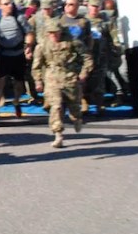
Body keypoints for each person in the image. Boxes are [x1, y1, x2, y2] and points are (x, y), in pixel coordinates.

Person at [32, 19, 93, 148]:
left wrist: (83, 73)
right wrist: (38, 81)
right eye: (51, 33)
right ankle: (58, 134)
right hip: (52, 78)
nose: (53, 35)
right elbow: (36, 66)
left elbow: (87, 58)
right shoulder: (42, 46)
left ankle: (77, 118)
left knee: (74, 106)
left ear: (61, 31)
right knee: (56, 106)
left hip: (69, 77)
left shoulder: (73, 42)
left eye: (56, 32)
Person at [0, 0, 31, 122]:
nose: (9, 6)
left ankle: (16, 102)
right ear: (0, 6)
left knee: (19, 83)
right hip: (3, 55)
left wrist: (28, 46)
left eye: (11, 3)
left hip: (18, 54)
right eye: (6, 4)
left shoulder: (19, 17)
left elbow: (29, 33)